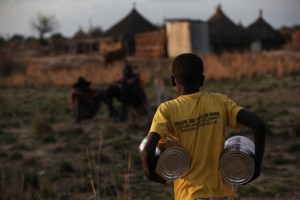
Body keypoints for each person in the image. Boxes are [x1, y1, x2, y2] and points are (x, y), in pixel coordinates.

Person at [140, 53, 266, 200]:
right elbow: (259, 125)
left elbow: (147, 151)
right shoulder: (220, 101)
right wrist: (256, 168)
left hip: (189, 195)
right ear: (202, 79)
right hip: (223, 194)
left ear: (173, 81)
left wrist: (152, 176)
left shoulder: (167, 110)